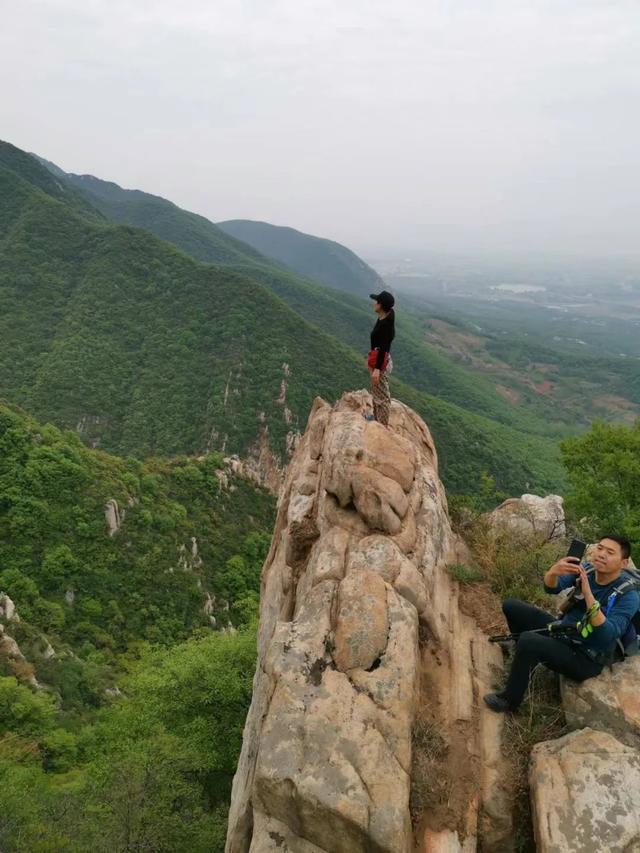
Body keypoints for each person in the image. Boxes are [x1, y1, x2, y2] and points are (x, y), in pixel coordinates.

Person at [484, 535, 639, 713]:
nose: (601, 554)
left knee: (529, 640)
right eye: (600, 548)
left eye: (610, 552)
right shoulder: (587, 570)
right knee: (512, 606)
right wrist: (553, 572)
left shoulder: (628, 596)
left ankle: (509, 701)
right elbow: (551, 588)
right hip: (564, 633)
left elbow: (607, 634)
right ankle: (522, 654)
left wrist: (588, 595)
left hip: (586, 657)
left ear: (624, 563)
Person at [367, 290, 395, 426]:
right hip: (377, 358)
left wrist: (377, 369)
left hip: (381, 362)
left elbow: (384, 348)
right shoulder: (384, 316)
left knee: (382, 397)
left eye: (377, 302)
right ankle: (376, 419)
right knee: (376, 392)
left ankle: (381, 426)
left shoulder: (386, 326)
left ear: (381, 305)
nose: (374, 303)